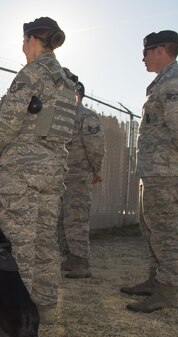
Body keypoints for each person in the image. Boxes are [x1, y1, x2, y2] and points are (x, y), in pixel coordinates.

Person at [0, 17, 77, 324]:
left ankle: (16, 312)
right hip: (53, 170)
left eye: (23, 41)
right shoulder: (67, 81)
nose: (22, 48)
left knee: (17, 241)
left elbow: (6, 123)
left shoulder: (31, 73)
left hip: (23, 169)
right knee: (45, 241)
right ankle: (46, 307)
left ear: (32, 40)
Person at [121, 30, 178, 313]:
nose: (142, 58)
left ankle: (167, 291)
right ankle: (155, 281)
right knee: (151, 227)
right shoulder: (162, 82)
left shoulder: (175, 81)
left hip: (165, 169)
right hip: (155, 169)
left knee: (166, 230)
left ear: (160, 51)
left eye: (146, 52)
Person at [57, 81, 105, 279]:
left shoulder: (86, 116)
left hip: (78, 176)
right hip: (62, 176)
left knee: (76, 219)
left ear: (77, 93)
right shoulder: (61, 117)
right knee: (62, 219)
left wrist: (95, 170)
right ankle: (70, 257)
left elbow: (96, 146)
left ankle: (81, 262)